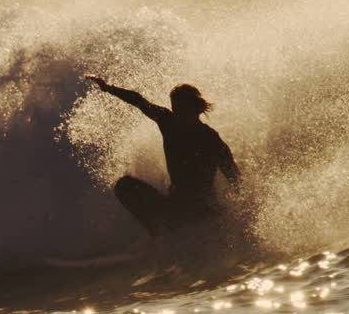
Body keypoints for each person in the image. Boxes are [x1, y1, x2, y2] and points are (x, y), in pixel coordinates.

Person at [86, 76, 240, 237]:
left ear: (195, 107)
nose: (178, 113)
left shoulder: (210, 138)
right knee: (124, 186)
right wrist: (109, 88)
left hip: (203, 210)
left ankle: (179, 231)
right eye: (175, 108)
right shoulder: (168, 121)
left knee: (191, 206)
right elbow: (139, 101)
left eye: (181, 108)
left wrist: (237, 217)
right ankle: (158, 233)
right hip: (175, 206)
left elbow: (234, 177)